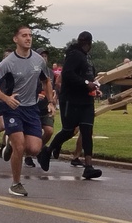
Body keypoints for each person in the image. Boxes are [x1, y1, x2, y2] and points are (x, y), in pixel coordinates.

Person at [0, 26, 55, 197]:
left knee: (34, 148)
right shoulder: (7, 63)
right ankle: (15, 183)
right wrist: (5, 98)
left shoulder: (39, 60)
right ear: (15, 39)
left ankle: (10, 144)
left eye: (30, 35)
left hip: (31, 107)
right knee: (20, 146)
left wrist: (50, 102)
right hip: (13, 107)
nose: (28, 38)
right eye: (24, 35)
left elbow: (46, 81)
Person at [37, 31, 102, 180]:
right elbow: (68, 74)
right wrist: (86, 84)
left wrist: (95, 88)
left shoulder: (86, 58)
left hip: (86, 100)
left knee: (87, 131)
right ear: (88, 43)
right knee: (68, 131)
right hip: (72, 100)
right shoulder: (74, 55)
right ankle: (47, 151)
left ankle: (88, 166)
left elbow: (89, 76)